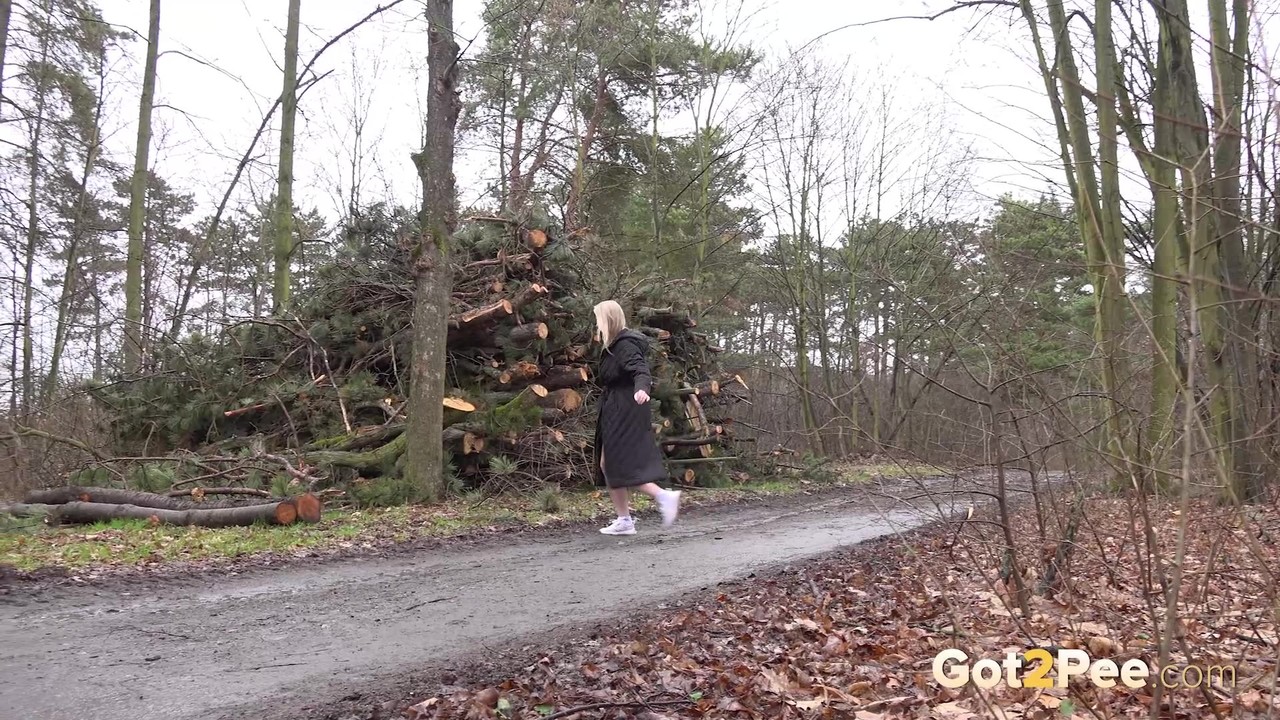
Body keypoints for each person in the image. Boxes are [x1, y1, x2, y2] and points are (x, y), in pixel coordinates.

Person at [591, 299, 681, 535]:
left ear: (608, 319)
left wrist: (642, 389)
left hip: (625, 408)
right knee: (607, 463)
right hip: (614, 407)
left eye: (599, 319)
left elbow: (641, 370)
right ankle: (625, 520)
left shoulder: (625, 345)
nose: (597, 325)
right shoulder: (613, 344)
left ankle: (663, 496)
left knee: (618, 463)